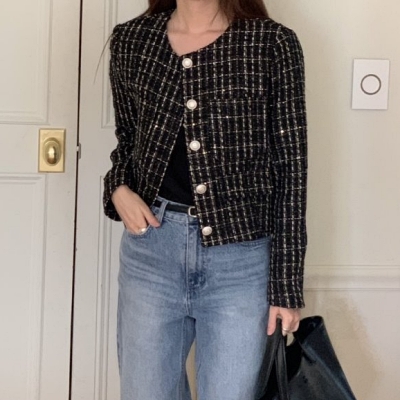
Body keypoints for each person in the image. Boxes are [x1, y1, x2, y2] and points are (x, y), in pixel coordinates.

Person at [103, 0, 308, 399]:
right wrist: (118, 187)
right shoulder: (132, 40)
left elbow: (291, 168)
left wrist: (286, 287)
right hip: (151, 254)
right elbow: (127, 139)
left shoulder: (271, 44)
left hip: (240, 264)